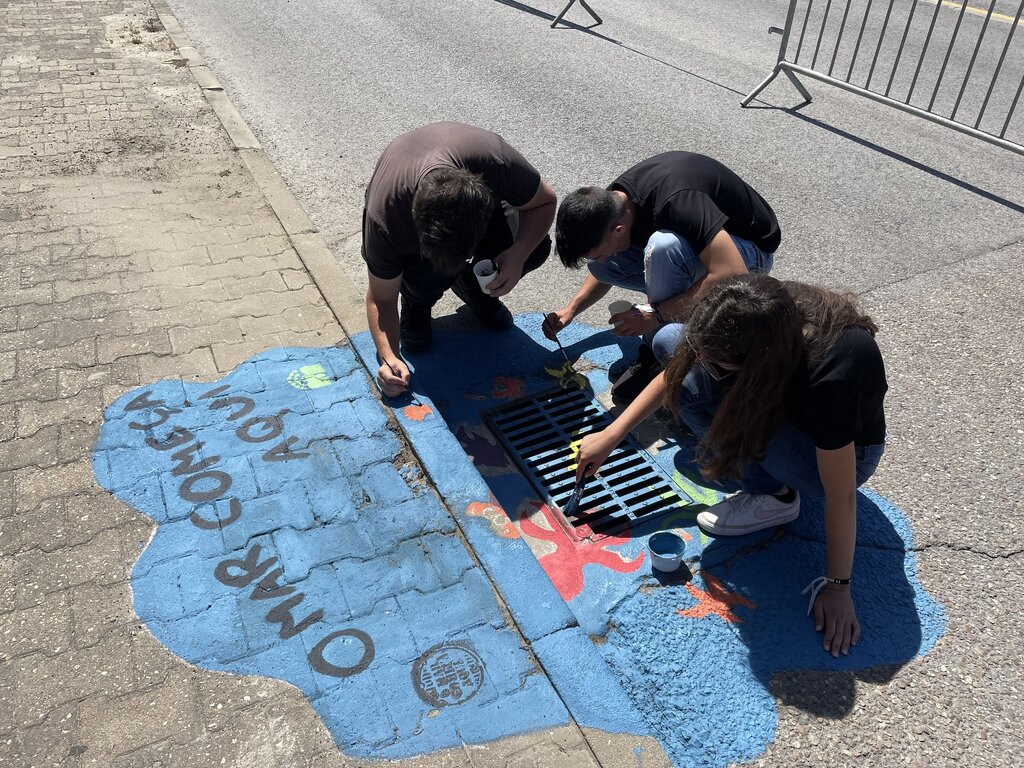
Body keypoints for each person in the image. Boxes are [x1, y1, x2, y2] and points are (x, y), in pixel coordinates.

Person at [574, 275, 888, 658]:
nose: (708, 365)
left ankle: (777, 496)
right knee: (670, 343)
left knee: (718, 405)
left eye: (721, 366)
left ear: (758, 364)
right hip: (781, 399)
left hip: (840, 459)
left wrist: (838, 586)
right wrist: (613, 434)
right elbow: (683, 362)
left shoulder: (833, 372)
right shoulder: (757, 311)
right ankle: (765, 469)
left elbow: (842, 496)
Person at [543, 151, 780, 404]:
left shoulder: (676, 202)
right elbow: (603, 266)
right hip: (702, 250)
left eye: (599, 252)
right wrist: (571, 309)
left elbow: (731, 273)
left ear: (619, 229)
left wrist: (656, 314)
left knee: (664, 247)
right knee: (609, 266)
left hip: (748, 253)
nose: (602, 259)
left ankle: (665, 357)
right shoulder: (614, 204)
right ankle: (668, 326)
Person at [363, 122, 556, 396]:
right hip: (408, 205)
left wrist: (518, 253)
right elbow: (381, 298)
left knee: (536, 248)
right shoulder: (386, 219)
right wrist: (388, 357)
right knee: (429, 278)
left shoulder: (495, 163)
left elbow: (545, 201)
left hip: (475, 188)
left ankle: (475, 290)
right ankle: (417, 305)